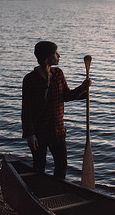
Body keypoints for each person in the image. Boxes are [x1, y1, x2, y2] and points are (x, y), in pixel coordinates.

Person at [21, 41, 91, 178]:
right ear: (47, 57)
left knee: (61, 165)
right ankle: (38, 193)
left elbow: (65, 96)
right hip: (38, 131)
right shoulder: (30, 79)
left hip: (57, 130)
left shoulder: (58, 74)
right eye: (55, 53)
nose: (59, 56)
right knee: (39, 166)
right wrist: (30, 134)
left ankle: (57, 191)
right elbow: (26, 109)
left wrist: (82, 89)